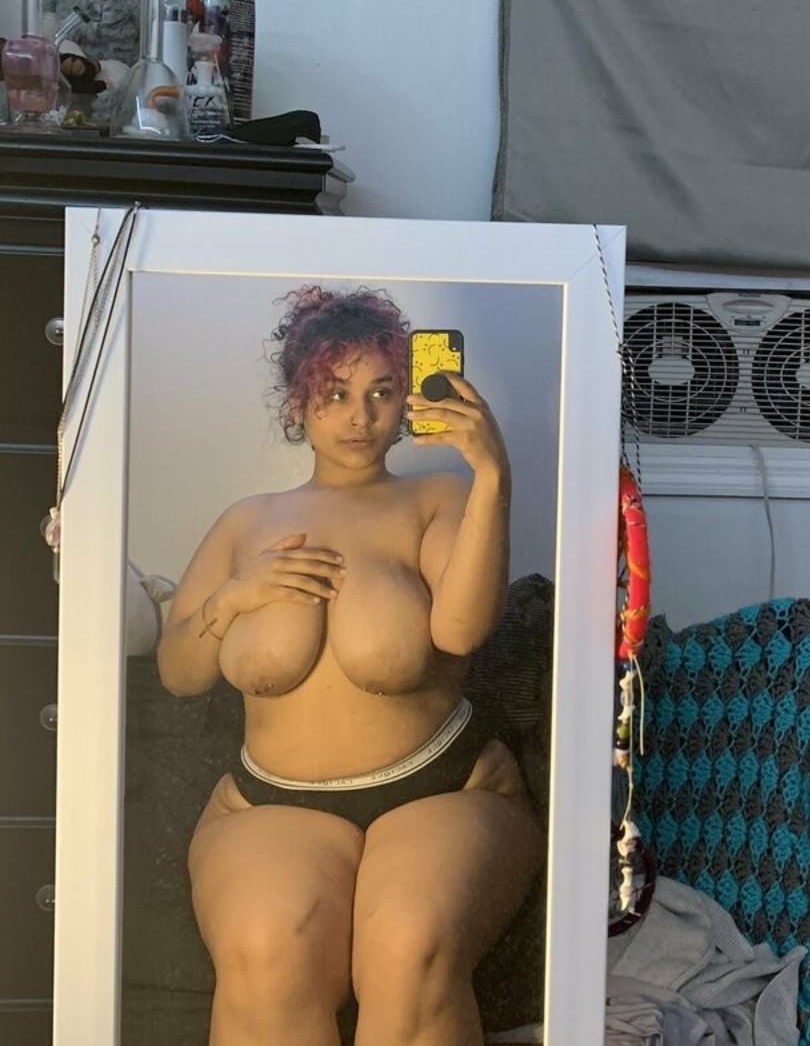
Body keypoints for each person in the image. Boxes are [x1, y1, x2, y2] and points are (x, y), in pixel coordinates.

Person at [157, 285, 544, 1046]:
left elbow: (463, 629)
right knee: (266, 949)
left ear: (407, 402)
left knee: (408, 943)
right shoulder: (245, 522)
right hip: (271, 807)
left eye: (381, 392)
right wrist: (232, 600)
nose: (360, 416)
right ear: (298, 403)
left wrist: (494, 475)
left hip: (445, 791)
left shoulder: (438, 497)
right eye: (335, 394)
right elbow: (180, 672)